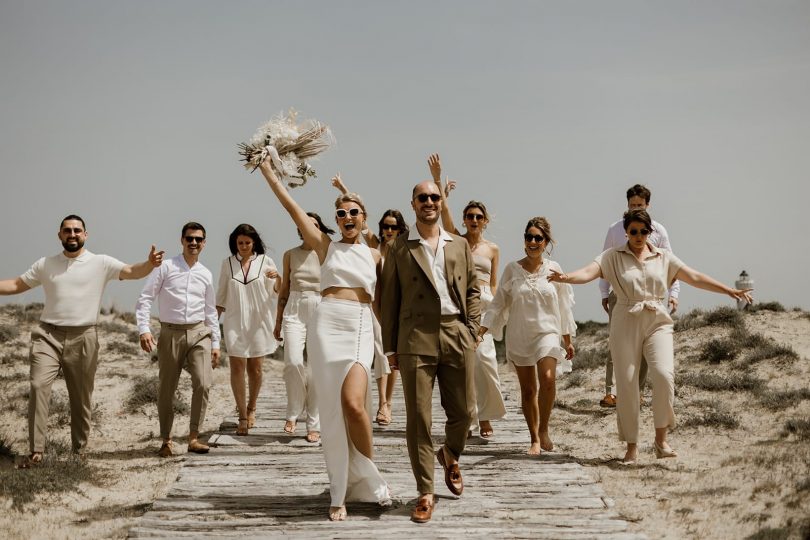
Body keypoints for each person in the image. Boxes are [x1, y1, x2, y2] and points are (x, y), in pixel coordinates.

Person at [548, 209, 752, 463]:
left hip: (657, 318)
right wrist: (566, 278)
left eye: (643, 231)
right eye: (633, 231)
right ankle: (631, 447)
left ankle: (661, 439)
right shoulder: (613, 256)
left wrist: (729, 291)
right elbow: (589, 272)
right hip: (625, 317)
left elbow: (695, 277)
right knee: (628, 383)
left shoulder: (664, 257)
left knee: (664, 375)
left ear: (650, 232)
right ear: (626, 232)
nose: (638, 236)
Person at [258, 160, 390, 522]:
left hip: (361, 325)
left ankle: (370, 479)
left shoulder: (377, 255)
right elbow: (291, 205)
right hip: (326, 323)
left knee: (355, 405)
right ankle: (338, 492)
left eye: (354, 212)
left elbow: (380, 303)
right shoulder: (325, 246)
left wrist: (389, 345)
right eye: (341, 212)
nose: (347, 216)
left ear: (364, 217)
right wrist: (270, 173)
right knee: (331, 412)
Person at [0, 215, 163, 466]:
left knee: (81, 396)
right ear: (60, 235)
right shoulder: (46, 264)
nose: (72, 234)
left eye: (77, 230)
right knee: (37, 385)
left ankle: (79, 450)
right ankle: (37, 451)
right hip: (48, 335)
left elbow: (131, 271)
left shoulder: (101, 262)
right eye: (67, 230)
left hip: (84, 336)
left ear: (86, 234)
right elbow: (16, 284)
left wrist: (149, 264)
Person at [381, 156, 481, 524]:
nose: (429, 203)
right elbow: (387, 299)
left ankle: (450, 454)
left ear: (441, 203)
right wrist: (390, 347)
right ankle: (425, 490)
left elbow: (472, 288)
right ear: (413, 205)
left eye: (434, 198)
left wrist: (472, 329)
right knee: (418, 418)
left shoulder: (458, 245)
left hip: (456, 332)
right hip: (415, 337)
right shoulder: (399, 247)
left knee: (465, 411)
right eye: (422, 198)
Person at [478, 217, 576, 455]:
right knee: (529, 389)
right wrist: (481, 330)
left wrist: (567, 339)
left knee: (549, 378)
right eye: (529, 237)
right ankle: (533, 438)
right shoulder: (512, 269)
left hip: (548, 333)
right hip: (520, 333)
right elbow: (499, 303)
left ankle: (544, 430)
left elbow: (564, 306)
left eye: (538, 238)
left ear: (546, 242)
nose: (533, 241)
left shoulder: (554, 269)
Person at [431, 156, 506, 439]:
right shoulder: (457, 241)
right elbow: (443, 211)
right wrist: (438, 179)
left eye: (478, 217)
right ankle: (471, 420)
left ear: (485, 221)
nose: (474, 220)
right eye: (470, 216)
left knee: (486, 363)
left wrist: (496, 313)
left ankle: (487, 415)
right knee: (464, 367)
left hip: (485, 306)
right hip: (461, 306)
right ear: (465, 220)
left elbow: (496, 284)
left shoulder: (493, 249)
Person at [136, 222, 221, 458]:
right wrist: (144, 329)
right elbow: (145, 298)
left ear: (204, 243)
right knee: (166, 389)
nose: (193, 243)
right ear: (182, 240)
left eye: (198, 239)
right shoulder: (165, 267)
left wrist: (215, 342)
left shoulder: (205, 273)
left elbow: (210, 311)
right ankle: (166, 440)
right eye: (189, 238)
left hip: (198, 333)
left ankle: (194, 437)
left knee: (203, 383)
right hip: (170, 333)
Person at [331, 174, 409, 427]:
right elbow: (356, 214)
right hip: (372, 304)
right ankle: (380, 405)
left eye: (393, 227)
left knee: (390, 354)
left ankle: (387, 402)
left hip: (395, 306)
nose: (388, 230)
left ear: (400, 229)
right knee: (378, 352)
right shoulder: (375, 245)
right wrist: (344, 189)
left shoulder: (407, 249)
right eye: (385, 226)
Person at [599, 184, 679, 408]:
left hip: (651, 296)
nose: (635, 209)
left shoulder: (659, 231)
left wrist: (674, 293)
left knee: (644, 346)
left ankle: (636, 392)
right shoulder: (615, 230)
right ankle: (611, 392)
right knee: (616, 343)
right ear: (627, 205)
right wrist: (604, 291)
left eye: (640, 205)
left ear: (648, 205)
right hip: (621, 294)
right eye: (632, 205)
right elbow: (604, 262)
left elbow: (671, 265)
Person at [275, 212, 334, 443]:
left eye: (315, 225)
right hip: (294, 308)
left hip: (321, 307)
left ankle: (313, 423)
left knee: (316, 370)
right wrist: (278, 320)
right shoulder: (290, 254)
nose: (309, 228)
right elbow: (284, 290)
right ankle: (292, 412)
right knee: (293, 362)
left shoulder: (328, 253)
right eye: (305, 225)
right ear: (299, 229)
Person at [216, 224, 280, 436]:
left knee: (255, 369)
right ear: (235, 243)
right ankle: (242, 416)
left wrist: (277, 278)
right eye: (240, 243)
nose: (243, 246)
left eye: (247, 243)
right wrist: (213, 328)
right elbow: (221, 296)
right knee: (236, 367)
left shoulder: (265, 262)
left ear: (254, 243)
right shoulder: (227, 264)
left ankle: (252, 407)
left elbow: (278, 291)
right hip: (234, 322)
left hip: (259, 322)